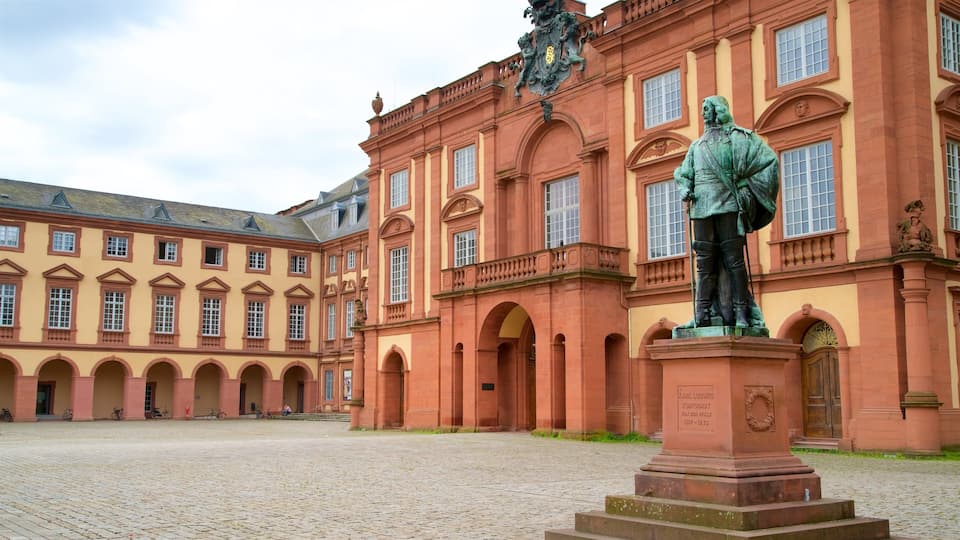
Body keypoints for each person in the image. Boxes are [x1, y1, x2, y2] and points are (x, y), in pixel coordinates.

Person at [674, 96, 779, 328]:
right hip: (701, 207)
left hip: (728, 204)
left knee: (734, 262)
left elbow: (768, 161)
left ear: (719, 111)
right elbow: (683, 173)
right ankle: (701, 313)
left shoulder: (737, 139)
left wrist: (745, 187)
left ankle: (741, 313)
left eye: (708, 109)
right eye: (702, 110)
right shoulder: (696, 146)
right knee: (704, 263)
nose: (704, 114)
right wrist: (684, 188)